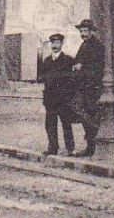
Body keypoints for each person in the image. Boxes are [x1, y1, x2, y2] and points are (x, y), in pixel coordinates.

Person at [70, 18, 106, 157]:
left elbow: (98, 67)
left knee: (91, 114)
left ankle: (93, 147)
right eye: (81, 31)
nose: (83, 34)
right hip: (83, 86)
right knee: (78, 109)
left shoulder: (97, 46)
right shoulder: (83, 45)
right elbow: (78, 60)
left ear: (91, 32)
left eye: (85, 31)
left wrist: (82, 66)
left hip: (92, 87)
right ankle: (90, 145)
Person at [39, 33, 78, 155]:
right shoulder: (47, 61)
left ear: (61, 44)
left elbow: (73, 79)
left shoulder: (68, 60)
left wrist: (69, 94)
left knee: (66, 124)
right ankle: (53, 148)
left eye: (57, 43)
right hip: (50, 99)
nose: (55, 45)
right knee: (50, 124)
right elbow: (43, 78)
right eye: (53, 43)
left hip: (63, 99)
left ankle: (70, 149)